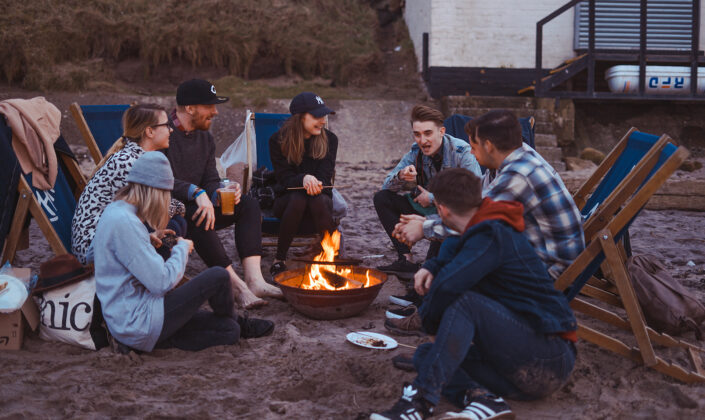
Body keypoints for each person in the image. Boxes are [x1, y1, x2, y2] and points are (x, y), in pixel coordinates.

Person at [372, 168, 577, 420]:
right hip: (515, 370)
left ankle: (420, 402)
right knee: (427, 355)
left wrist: (431, 326)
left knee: (464, 303)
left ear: (442, 210)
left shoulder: (493, 232)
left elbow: (448, 286)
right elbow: (451, 254)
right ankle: (484, 399)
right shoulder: (474, 227)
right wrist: (432, 266)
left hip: (548, 358)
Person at [93, 152, 274, 353]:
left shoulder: (116, 211)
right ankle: (239, 321)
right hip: (140, 320)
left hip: (131, 323)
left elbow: (113, 253)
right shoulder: (126, 222)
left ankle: (234, 324)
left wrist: (147, 238)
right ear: (155, 191)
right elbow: (161, 283)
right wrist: (181, 249)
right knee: (219, 276)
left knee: (229, 331)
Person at [393, 110, 584, 280]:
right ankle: (427, 297)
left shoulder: (519, 175)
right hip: (533, 248)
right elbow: (477, 202)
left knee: (463, 251)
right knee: (454, 244)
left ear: (489, 146)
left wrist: (424, 228)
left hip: (551, 267)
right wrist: (427, 220)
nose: (471, 153)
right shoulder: (512, 158)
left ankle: (430, 299)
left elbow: (477, 221)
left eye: (474, 147)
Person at [164, 79, 282, 309]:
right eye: (209, 106)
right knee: (197, 215)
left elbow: (209, 178)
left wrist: (219, 191)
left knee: (248, 204)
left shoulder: (205, 138)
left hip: (201, 204)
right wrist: (196, 192)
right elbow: (158, 178)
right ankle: (237, 287)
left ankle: (255, 280)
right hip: (169, 210)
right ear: (190, 108)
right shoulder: (162, 133)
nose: (216, 112)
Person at [373, 105, 481, 279]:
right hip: (424, 209)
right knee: (382, 198)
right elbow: (386, 185)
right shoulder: (415, 152)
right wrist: (401, 176)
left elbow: (474, 196)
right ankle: (406, 259)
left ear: (441, 131)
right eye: (417, 134)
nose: (422, 141)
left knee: (431, 270)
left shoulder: (462, 152)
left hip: (450, 215)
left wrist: (431, 198)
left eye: (428, 133)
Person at [71, 103, 186, 264]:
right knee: (173, 224)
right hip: (95, 249)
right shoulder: (129, 163)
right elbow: (156, 210)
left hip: (112, 235)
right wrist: (182, 206)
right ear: (149, 131)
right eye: (166, 125)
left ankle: (158, 267)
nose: (171, 130)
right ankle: (155, 270)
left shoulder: (133, 156)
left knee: (176, 223)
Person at [268, 92, 338, 276]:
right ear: (300, 117)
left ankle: (330, 257)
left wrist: (313, 182)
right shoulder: (278, 140)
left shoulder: (330, 140)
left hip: (320, 203)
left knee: (316, 198)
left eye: (324, 115)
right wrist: (303, 179)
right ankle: (279, 259)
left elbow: (325, 177)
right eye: (317, 116)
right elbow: (284, 179)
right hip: (287, 203)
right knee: (298, 197)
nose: (323, 120)